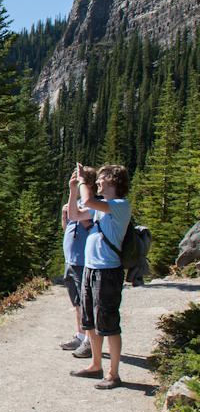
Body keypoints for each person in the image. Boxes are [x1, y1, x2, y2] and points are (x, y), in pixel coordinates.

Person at [67, 164, 131, 390]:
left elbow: (89, 202)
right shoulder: (101, 208)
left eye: (102, 179)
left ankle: (114, 374)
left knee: (109, 323)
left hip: (108, 271)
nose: (98, 183)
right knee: (90, 320)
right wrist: (74, 188)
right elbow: (74, 214)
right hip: (91, 268)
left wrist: (84, 182)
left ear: (113, 181)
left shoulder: (120, 206)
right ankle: (96, 365)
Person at [59, 167, 97, 358]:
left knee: (86, 302)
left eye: (78, 180)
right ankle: (80, 335)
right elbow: (68, 227)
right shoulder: (77, 204)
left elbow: (88, 226)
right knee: (77, 302)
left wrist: (73, 201)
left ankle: (90, 341)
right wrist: (65, 214)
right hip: (71, 260)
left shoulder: (94, 205)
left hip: (84, 261)